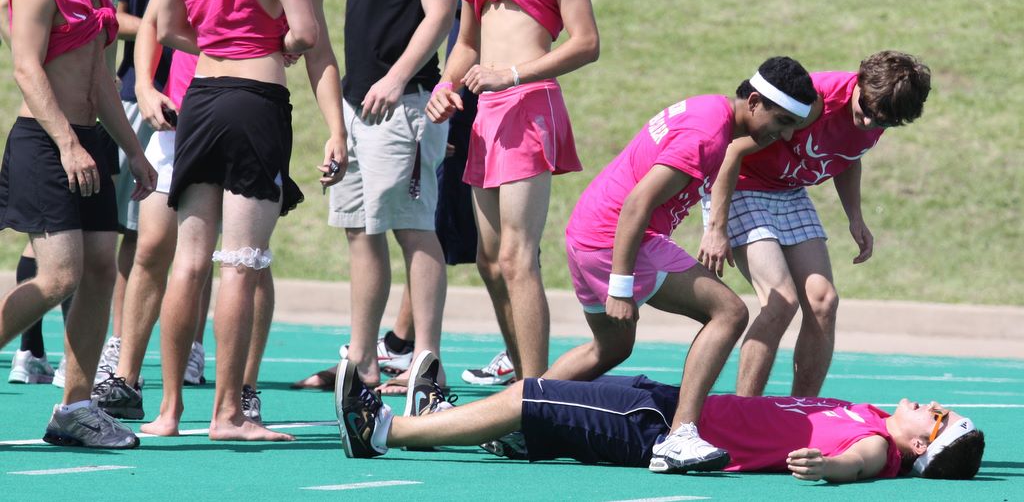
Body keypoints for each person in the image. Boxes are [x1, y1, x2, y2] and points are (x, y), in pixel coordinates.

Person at [140, 0, 346, 441]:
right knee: (242, 261)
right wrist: (273, 46)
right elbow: (306, 34)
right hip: (255, 100)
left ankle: (168, 410)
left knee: (188, 262)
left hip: (200, 99)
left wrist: (217, 42)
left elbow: (167, 26)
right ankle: (228, 414)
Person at [543, 57, 817, 473]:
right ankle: (680, 436)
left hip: (587, 231)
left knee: (610, 348)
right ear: (754, 102)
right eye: (782, 121)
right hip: (616, 237)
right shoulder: (707, 135)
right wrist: (620, 285)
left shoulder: (711, 111)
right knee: (729, 312)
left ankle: (518, 415)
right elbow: (637, 203)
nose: (786, 135)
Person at [425, 0, 600, 384]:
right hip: (486, 113)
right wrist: (445, 84)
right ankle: (523, 380)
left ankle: (536, 393)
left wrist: (515, 72)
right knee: (489, 259)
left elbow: (587, 43)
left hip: (529, 103)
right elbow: (467, 44)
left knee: (518, 256)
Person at [296, 0, 459, 395]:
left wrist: (396, 77)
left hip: (403, 104)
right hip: (358, 104)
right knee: (360, 231)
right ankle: (364, 359)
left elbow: (440, 14)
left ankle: (426, 362)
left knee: (414, 229)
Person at [0, 0, 156, 448]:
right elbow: (26, 68)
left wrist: (134, 150)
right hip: (45, 143)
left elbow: (99, 86)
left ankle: (76, 408)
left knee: (98, 273)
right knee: (58, 276)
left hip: (90, 143)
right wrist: (66, 143)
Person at [337, 351, 986, 483]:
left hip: (660, 427)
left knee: (529, 397)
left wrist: (830, 468)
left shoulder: (878, 445)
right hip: (675, 405)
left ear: (919, 449)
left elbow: (857, 464)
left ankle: (384, 431)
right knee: (546, 402)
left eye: (938, 418)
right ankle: (445, 420)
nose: (931, 406)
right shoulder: (870, 410)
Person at [698, 51, 932, 398]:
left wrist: (855, 217)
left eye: (882, 121)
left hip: (788, 191)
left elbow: (849, 155)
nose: (869, 122)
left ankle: (800, 408)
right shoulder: (813, 103)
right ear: (860, 82)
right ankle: (744, 411)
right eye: (866, 110)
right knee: (781, 301)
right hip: (743, 185)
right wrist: (716, 229)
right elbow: (732, 151)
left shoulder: (881, 108)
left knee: (824, 302)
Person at [375, 0, 514, 386]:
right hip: (458, 108)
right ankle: (401, 342)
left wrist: (458, 114)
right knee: (435, 226)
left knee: (501, 245)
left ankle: (518, 352)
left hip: (485, 112)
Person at [93, 0, 212, 392]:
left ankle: (191, 348)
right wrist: (164, 31)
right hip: (135, 98)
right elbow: (109, 17)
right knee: (132, 233)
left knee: (197, 235)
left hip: (199, 100)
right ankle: (119, 345)